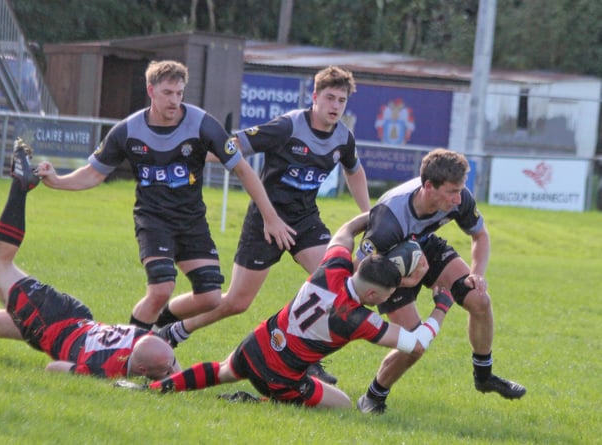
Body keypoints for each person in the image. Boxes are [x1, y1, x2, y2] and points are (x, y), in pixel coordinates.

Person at [36, 60, 294, 336]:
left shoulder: (203, 124)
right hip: (153, 220)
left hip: (191, 222)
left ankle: (159, 326)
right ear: (151, 91)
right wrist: (56, 181)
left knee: (210, 298)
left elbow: (243, 169)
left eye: (179, 93)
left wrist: (271, 217)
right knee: (161, 289)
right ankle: (125, 352)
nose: (174, 100)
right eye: (168, 93)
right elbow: (92, 174)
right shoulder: (127, 131)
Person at [155, 65, 370, 385]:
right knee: (235, 303)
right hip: (266, 221)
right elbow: (234, 145)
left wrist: (370, 215)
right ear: (314, 97)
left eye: (342, 100)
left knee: (337, 285)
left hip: (305, 221)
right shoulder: (287, 127)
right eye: (329, 98)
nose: (336, 106)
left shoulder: (343, 137)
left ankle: (306, 360)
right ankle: (173, 328)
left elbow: (354, 171)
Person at [117, 212, 455, 408]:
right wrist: (440, 307)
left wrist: (376, 215)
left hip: (257, 344)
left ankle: (154, 389)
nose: (390, 297)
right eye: (388, 293)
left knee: (221, 370)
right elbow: (416, 343)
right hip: (281, 379)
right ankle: (260, 402)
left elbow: (345, 231)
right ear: (370, 292)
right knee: (343, 405)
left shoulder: (334, 268)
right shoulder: (358, 320)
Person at [0, 140, 179, 379]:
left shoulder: (149, 342)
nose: (171, 370)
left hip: (73, 321)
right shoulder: (106, 369)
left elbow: (169, 364)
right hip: (51, 322)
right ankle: (20, 186)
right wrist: (100, 378)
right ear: (140, 371)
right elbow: (53, 368)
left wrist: (174, 379)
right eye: (169, 368)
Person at [355, 148, 526, 414]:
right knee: (414, 344)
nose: (459, 199)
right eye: (452, 192)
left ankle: (484, 376)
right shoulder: (389, 219)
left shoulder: (460, 198)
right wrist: (410, 281)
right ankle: (373, 397)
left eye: (461, 190)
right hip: (388, 267)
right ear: (428, 187)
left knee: (479, 298)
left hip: (424, 246)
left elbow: (481, 236)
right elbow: (362, 274)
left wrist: (476, 273)